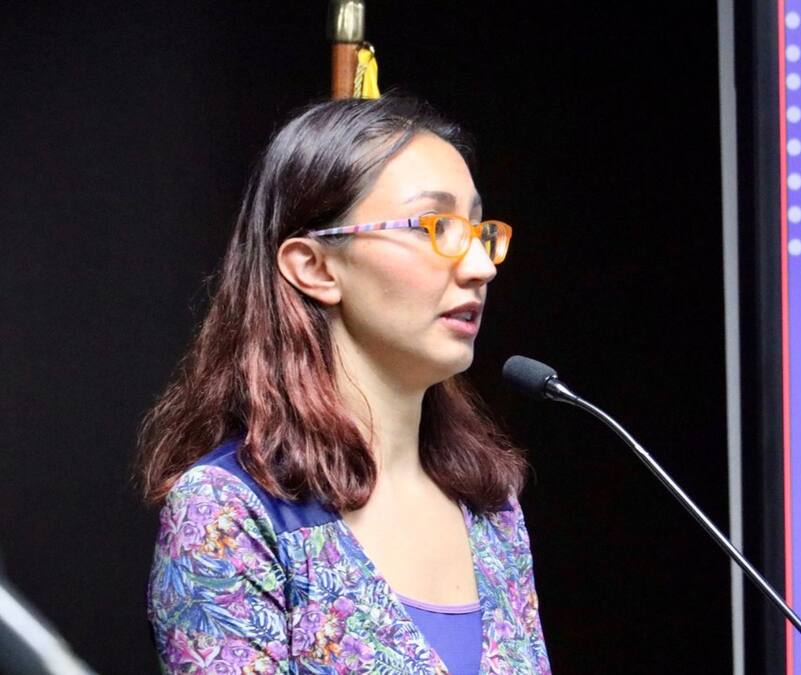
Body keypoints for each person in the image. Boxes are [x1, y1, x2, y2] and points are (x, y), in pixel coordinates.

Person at [136, 94, 550, 674]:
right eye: (435, 227)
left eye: (479, 231)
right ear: (315, 266)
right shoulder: (228, 510)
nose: (481, 267)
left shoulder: (490, 508)